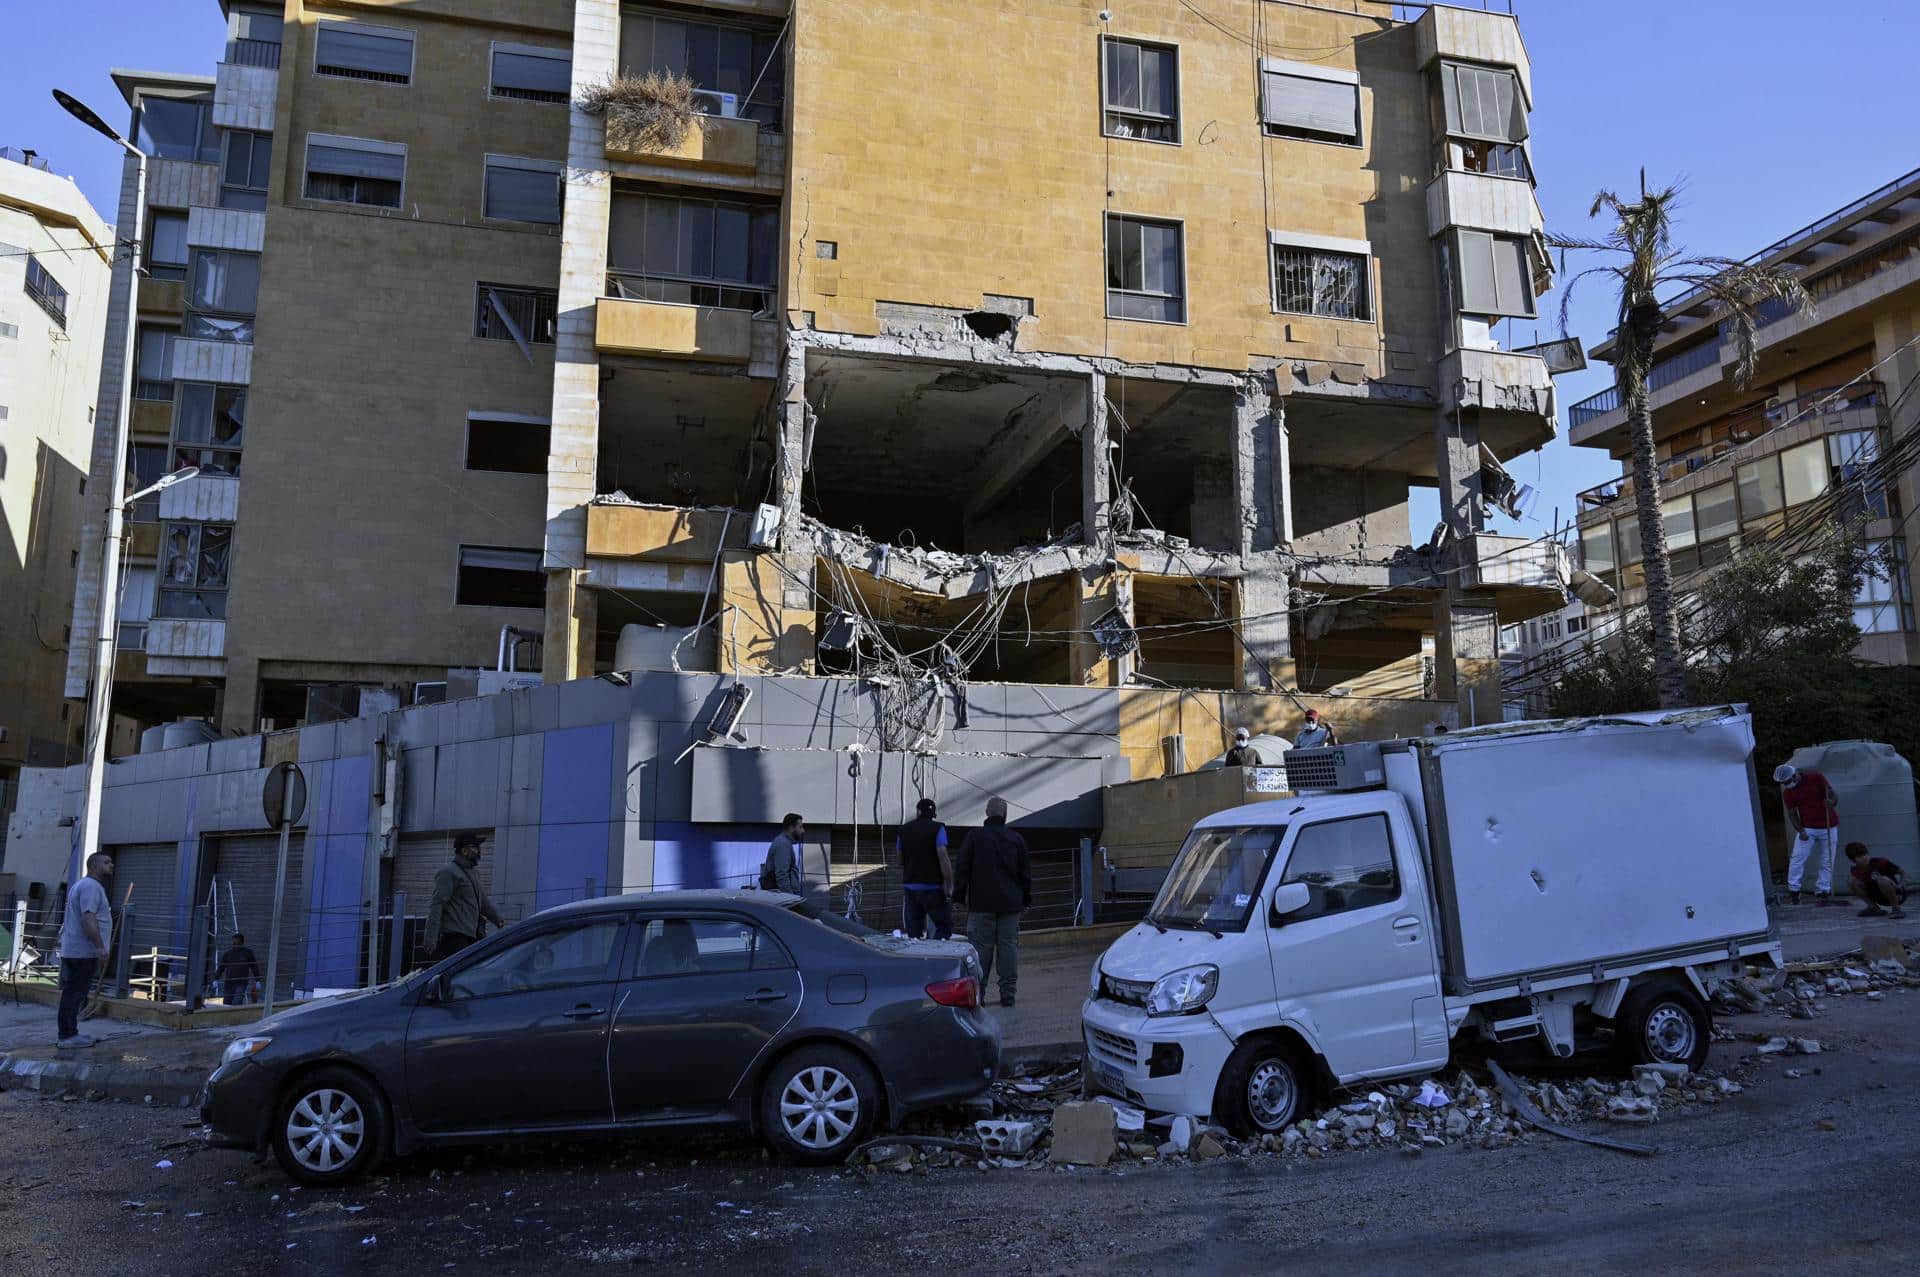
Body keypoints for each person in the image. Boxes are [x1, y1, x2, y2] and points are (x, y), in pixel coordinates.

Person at [954, 796, 1031, 1008]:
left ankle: (979, 994)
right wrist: (1026, 900)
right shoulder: (1016, 839)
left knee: (981, 951)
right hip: (1011, 905)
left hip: (981, 904)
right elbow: (1025, 874)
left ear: (987, 814)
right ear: (1005, 814)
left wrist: (959, 897)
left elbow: (962, 868)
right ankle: (1008, 995)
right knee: (1008, 949)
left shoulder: (974, 837)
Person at [57, 852, 115, 1050]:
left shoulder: (85, 885)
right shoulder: (90, 887)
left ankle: (69, 1033)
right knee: (74, 994)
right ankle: (67, 1036)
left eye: (111, 862)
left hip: (78, 951)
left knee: (73, 993)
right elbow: (88, 918)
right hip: (82, 952)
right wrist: (100, 947)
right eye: (106, 862)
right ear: (93, 866)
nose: (111, 865)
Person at [423, 832, 505, 963]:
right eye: (475, 847)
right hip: (455, 938)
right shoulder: (448, 872)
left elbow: (482, 901)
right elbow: (437, 904)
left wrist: (497, 919)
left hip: (473, 936)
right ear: (464, 851)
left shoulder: (473, 873)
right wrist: (430, 938)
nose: (479, 851)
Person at [1775, 764, 1840, 906]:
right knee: (1797, 858)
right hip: (1808, 828)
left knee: (1827, 859)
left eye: (1787, 782)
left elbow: (1832, 794)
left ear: (1794, 775)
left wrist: (1832, 802)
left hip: (1829, 826)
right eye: (1783, 783)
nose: (1786, 785)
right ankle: (1794, 890)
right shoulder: (1788, 793)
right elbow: (1792, 813)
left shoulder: (1816, 778)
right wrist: (1801, 830)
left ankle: (1823, 890)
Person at [896, 798, 955, 940]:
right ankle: (934, 953)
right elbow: (944, 858)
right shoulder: (938, 828)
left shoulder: (903, 830)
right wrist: (949, 885)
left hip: (911, 888)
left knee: (914, 934)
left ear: (918, 812)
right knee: (944, 926)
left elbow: (899, 859)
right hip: (933, 888)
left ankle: (918, 959)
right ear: (933, 814)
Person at [1845, 842, 1908, 919]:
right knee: (1851, 881)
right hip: (1879, 897)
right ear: (1853, 860)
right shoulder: (1855, 870)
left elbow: (1903, 873)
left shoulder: (1880, 862)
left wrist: (1900, 886)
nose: (1864, 858)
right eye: (1859, 856)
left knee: (1882, 879)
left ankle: (1896, 910)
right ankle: (1873, 908)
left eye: (1865, 854)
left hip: (1897, 895)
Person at [762, 813, 807, 896]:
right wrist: (791, 898)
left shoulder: (785, 842)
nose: (803, 831)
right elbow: (782, 875)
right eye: (800, 827)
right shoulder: (783, 844)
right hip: (783, 897)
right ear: (791, 828)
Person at [215, 932, 260, 1005]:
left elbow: (254, 967)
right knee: (226, 1003)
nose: (235, 946)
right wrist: (216, 979)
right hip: (229, 983)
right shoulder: (227, 954)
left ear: (242, 943)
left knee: (237, 1002)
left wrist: (258, 980)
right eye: (234, 944)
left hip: (241, 983)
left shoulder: (248, 953)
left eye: (237, 944)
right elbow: (221, 968)